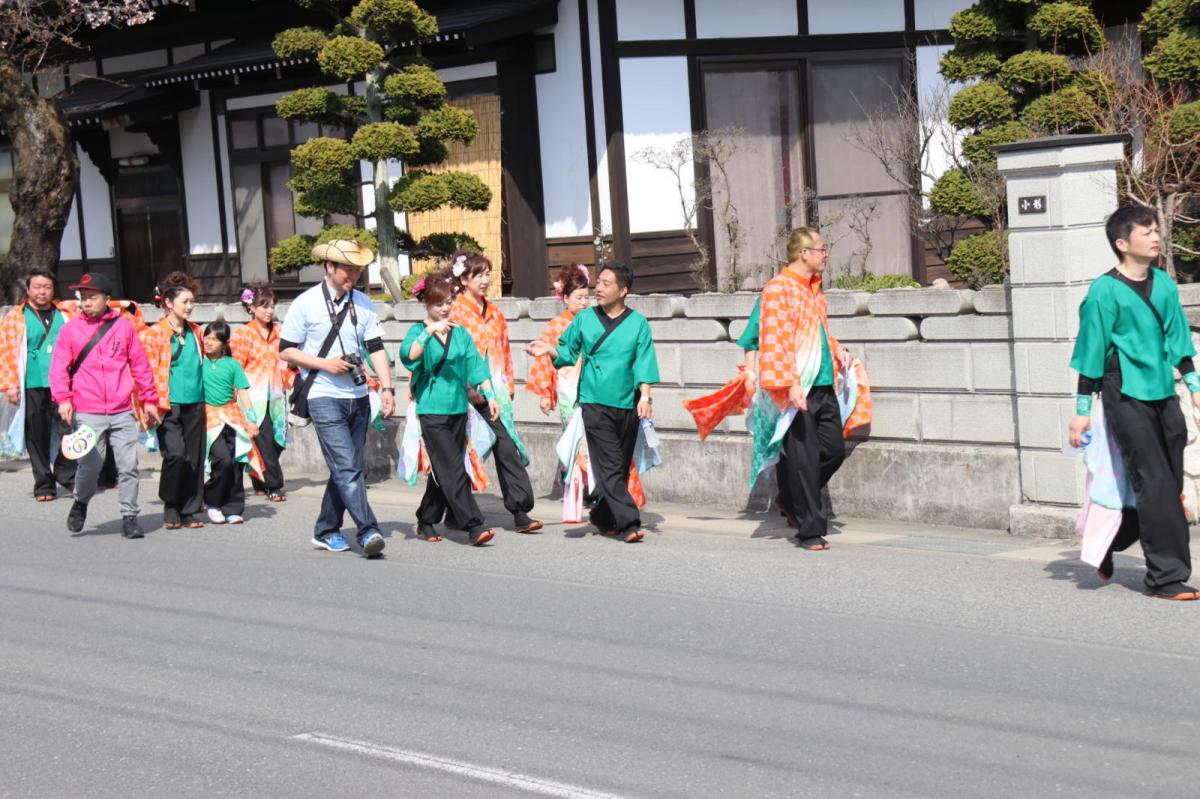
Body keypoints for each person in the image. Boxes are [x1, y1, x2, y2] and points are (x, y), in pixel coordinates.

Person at [1069, 205, 1200, 601]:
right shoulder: (1103, 291)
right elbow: (1091, 351)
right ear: (1122, 243)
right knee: (1155, 483)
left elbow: (1179, 339)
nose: (1156, 236)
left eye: (1156, 230)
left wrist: (1194, 388)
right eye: (1147, 232)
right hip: (1123, 392)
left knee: (1167, 482)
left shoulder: (1163, 283)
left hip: (1163, 390)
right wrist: (1080, 414)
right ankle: (1164, 578)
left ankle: (1109, 542)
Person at [526, 261, 659, 543]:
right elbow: (566, 351)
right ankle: (630, 523)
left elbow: (644, 363)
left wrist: (645, 397)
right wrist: (548, 349)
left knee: (619, 468)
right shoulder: (584, 319)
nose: (598, 288)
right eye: (598, 283)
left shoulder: (638, 324)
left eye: (606, 284)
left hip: (628, 404)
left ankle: (600, 515)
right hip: (593, 402)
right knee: (610, 466)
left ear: (623, 290)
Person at [279, 238, 396, 559]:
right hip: (322, 395)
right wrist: (325, 364)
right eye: (347, 268)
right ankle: (368, 530)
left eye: (358, 269)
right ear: (328, 267)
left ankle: (326, 529)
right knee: (348, 467)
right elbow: (286, 349)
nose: (353, 275)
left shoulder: (363, 302)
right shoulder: (305, 303)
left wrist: (387, 388)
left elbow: (375, 349)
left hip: (358, 395)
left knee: (346, 467)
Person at [757, 228, 868, 552]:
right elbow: (774, 340)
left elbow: (819, 335)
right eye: (822, 248)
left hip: (823, 383)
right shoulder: (778, 289)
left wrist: (838, 350)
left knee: (832, 450)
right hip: (798, 388)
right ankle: (810, 531)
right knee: (804, 460)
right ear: (804, 253)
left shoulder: (813, 290)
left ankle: (790, 496)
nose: (826, 254)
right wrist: (789, 384)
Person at [48, 273, 161, 538]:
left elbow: (141, 366)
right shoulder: (70, 330)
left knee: (128, 465)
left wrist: (149, 399)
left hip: (122, 409)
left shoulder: (124, 327)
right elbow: (58, 369)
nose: (86, 302)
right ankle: (81, 501)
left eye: (92, 297)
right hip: (88, 410)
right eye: (83, 297)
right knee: (91, 466)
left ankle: (130, 516)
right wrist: (63, 399)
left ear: (107, 299)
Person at [401, 270, 500, 546]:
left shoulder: (460, 334)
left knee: (443, 469)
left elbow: (476, 366)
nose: (444, 308)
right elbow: (408, 357)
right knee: (454, 468)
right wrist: (429, 333)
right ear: (426, 304)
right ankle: (474, 525)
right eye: (438, 303)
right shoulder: (417, 331)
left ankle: (426, 518)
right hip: (431, 411)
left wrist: (490, 395)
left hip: (458, 409)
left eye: (447, 302)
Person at [448, 251, 542, 534]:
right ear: (464, 279)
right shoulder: (455, 312)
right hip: (464, 392)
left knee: (505, 446)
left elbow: (503, 350)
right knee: (459, 453)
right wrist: (467, 390)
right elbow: (451, 356)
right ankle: (445, 510)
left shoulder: (496, 312)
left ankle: (520, 510)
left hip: (494, 391)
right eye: (479, 275)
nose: (486, 280)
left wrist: (508, 386)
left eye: (488, 274)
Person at [0, 269, 77, 500]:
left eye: (47, 287)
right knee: (36, 433)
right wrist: (10, 385)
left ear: (53, 289)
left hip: (62, 381)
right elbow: (6, 353)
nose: (42, 291)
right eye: (37, 287)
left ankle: (67, 475)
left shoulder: (66, 312)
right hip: (32, 381)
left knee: (68, 429)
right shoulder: (16, 317)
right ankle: (44, 484)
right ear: (28, 289)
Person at [143, 285, 207, 529]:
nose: (190, 306)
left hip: (196, 401)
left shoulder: (197, 332)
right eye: (185, 302)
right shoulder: (154, 334)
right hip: (166, 404)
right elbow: (144, 371)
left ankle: (189, 508)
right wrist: (148, 403)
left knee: (194, 458)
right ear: (169, 303)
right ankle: (171, 503)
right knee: (175, 454)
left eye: (192, 301)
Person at [230, 283, 293, 502]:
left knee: (277, 441)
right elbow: (235, 368)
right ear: (251, 308)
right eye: (263, 306)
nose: (268, 310)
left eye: (271, 305)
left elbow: (287, 360)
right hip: (251, 396)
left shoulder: (280, 332)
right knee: (263, 440)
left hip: (275, 394)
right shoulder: (242, 335)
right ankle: (274, 485)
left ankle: (258, 479)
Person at [201, 321, 265, 525]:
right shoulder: (198, 362)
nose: (209, 342)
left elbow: (244, 392)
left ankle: (233, 508)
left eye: (214, 339)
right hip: (209, 417)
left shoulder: (233, 364)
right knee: (223, 460)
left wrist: (252, 420)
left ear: (224, 343)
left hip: (233, 417)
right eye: (207, 337)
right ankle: (212, 501)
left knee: (237, 462)